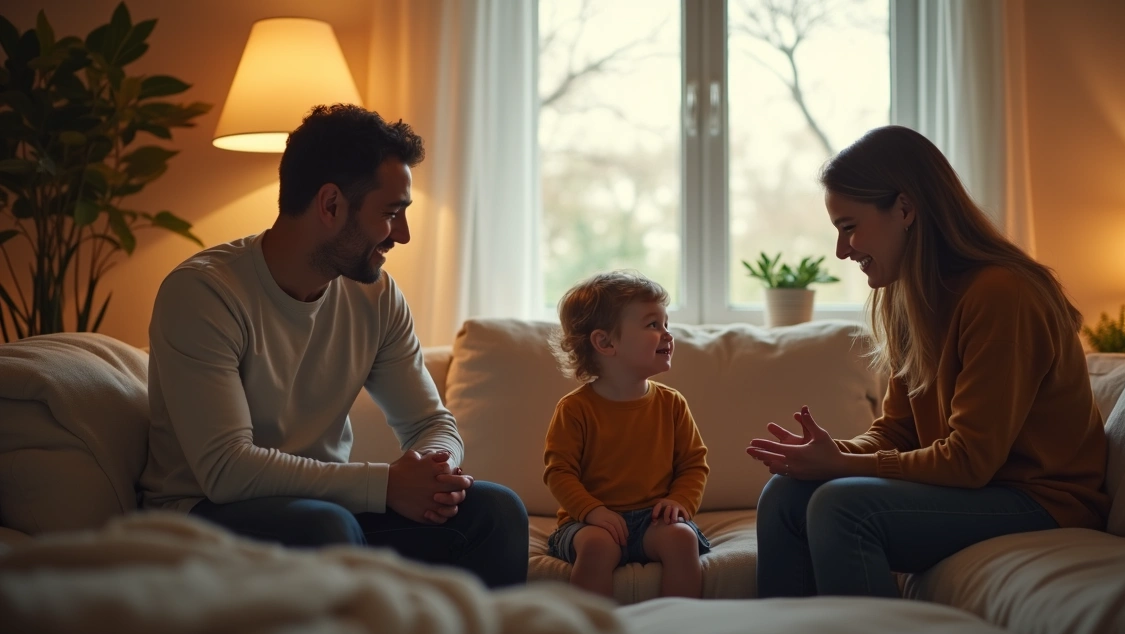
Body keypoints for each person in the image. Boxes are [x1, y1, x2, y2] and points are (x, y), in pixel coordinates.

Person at [139, 104, 529, 587]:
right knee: (327, 526)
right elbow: (226, 469)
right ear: (330, 205)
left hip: (327, 511)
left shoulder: (376, 295)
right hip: (203, 514)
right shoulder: (203, 293)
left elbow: (431, 422)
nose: (403, 235)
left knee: (496, 511)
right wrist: (385, 485)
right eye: (391, 213)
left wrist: (435, 471)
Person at [746, 125, 1109, 598]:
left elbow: (971, 460)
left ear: (905, 208)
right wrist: (829, 455)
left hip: (1041, 499)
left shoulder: (1003, 295)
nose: (842, 251)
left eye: (849, 227)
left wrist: (839, 466)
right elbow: (897, 431)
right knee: (785, 496)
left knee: (842, 507)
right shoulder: (909, 297)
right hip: (980, 488)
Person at [543, 270, 711, 599]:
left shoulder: (672, 404)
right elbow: (559, 472)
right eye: (653, 325)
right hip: (590, 521)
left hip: (654, 521)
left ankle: (682, 625)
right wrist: (593, 512)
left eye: (666, 324)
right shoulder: (575, 409)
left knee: (682, 538)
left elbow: (694, 464)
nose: (667, 335)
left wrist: (679, 502)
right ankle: (591, 628)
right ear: (606, 343)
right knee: (597, 545)